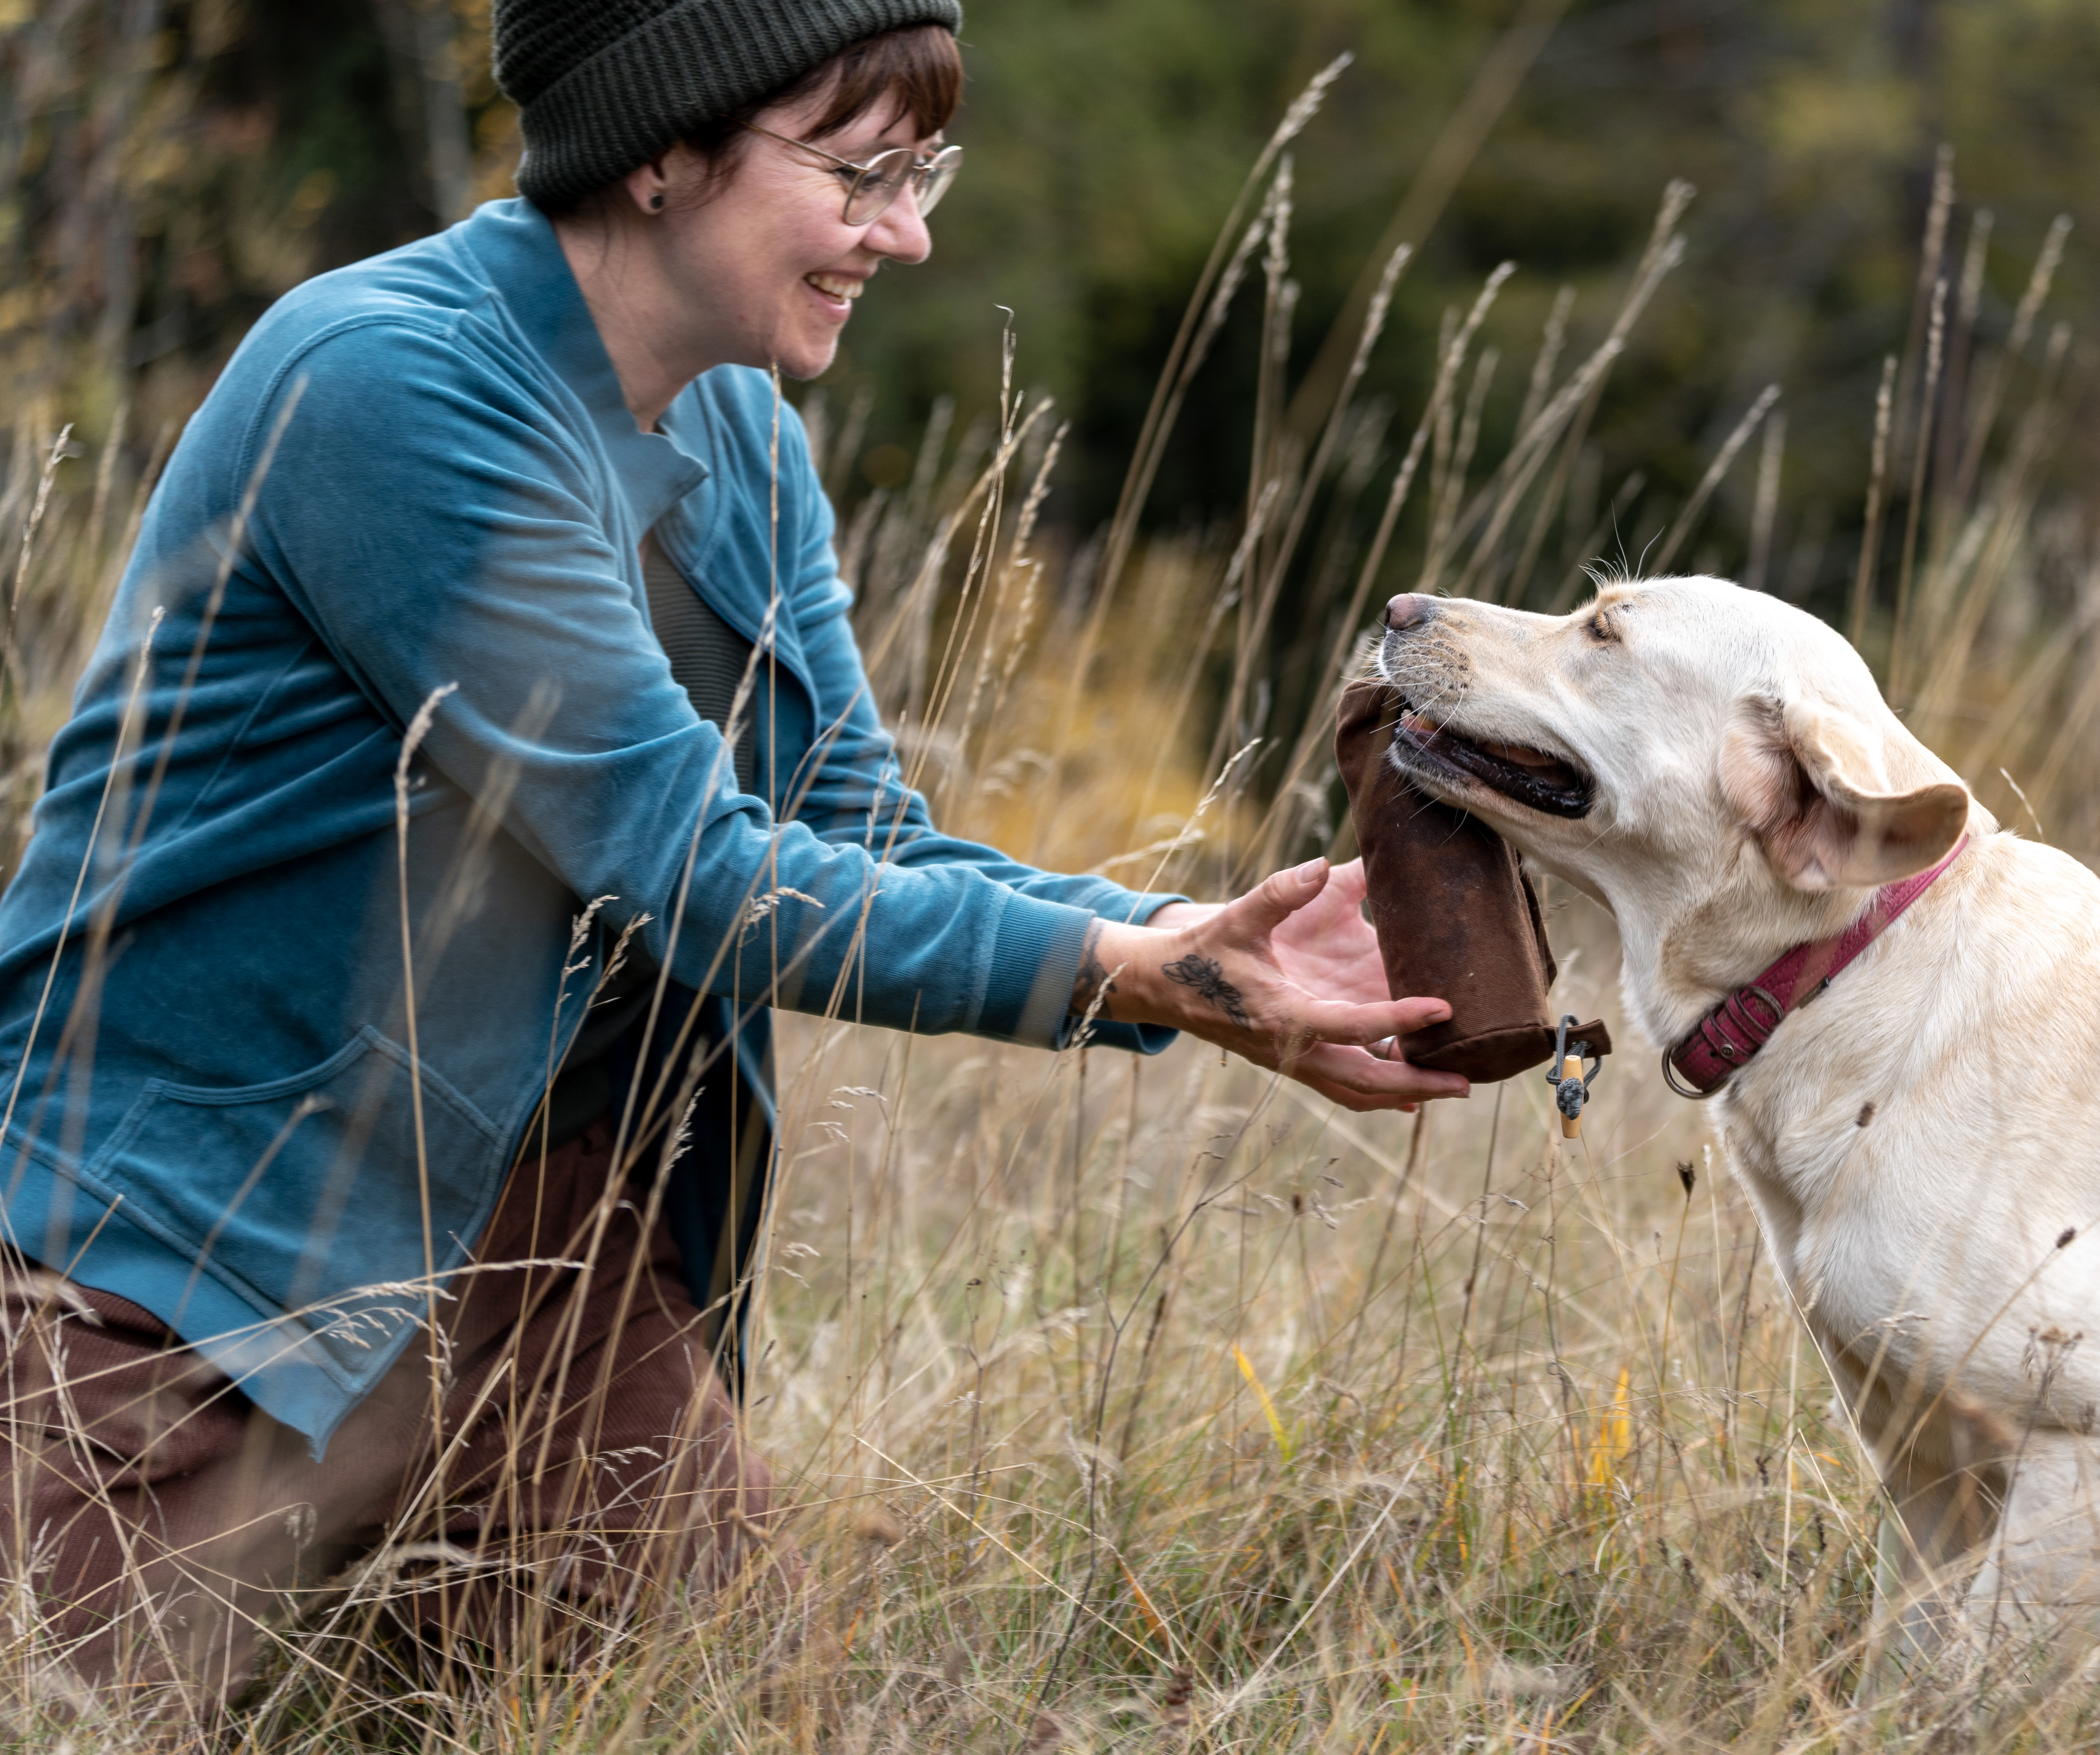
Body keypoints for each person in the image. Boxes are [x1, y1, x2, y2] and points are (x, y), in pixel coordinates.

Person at [0, 0, 1465, 1711]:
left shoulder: (741, 429)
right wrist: (1139, 977)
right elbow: (689, 871)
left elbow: (848, 834)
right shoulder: (389, 384)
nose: (906, 236)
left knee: (742, 1713)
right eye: (858, 173)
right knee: (86, 1717)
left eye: (921, 174)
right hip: (191, 1259)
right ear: (661, 152)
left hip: (544, 1273)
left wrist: (1190, 931)